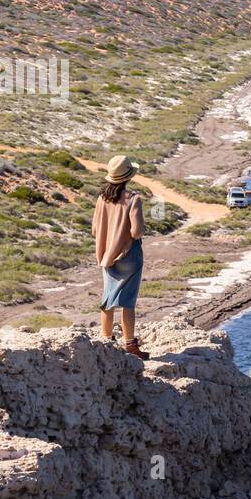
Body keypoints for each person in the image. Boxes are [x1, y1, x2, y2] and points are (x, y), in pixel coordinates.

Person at [92, 154, 148, 359]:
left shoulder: (102, 198)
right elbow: (137, 232)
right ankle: (130, 344)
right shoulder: (133, 199)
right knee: (128, 301)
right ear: (128, 177)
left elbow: (95, 229)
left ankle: (106, 339)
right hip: (129, 255)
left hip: (107, 255)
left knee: (108, 298)